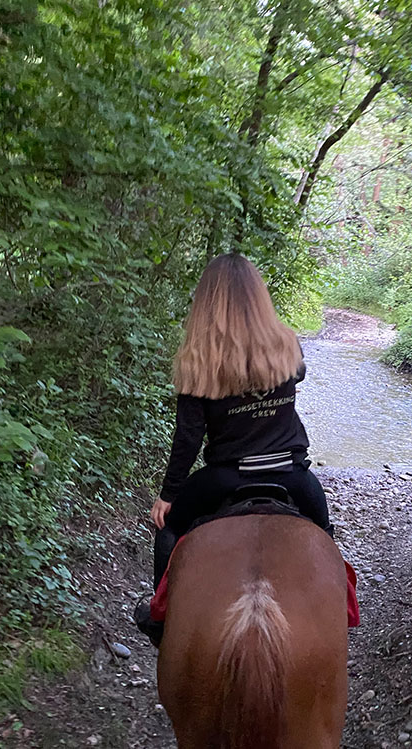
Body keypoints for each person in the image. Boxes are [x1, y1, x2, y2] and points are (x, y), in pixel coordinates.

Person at [137, 253, 331, 646]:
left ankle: (161, 619)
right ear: (259, 297)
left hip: (226, 476)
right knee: (324, 534)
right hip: (291, 474)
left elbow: (188, 438)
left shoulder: (199, 360)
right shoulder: (287, 346)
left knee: (170, 528)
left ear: (206, 302)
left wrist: (168, 494)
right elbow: (299, 374)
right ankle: (338, 612)